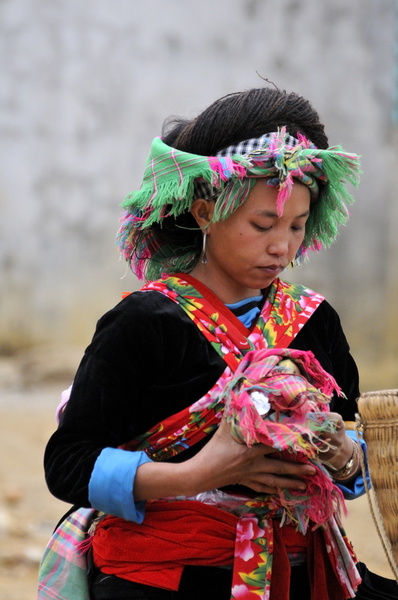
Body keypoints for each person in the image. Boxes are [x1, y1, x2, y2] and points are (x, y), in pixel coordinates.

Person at [39, 87, 396, 600]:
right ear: (205, 212)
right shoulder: (143, 322)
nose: (283, 246)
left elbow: (349, 457)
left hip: (299, 565)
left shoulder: (313, 320)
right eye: (263, 224)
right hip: (167, 569)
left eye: (298, 226)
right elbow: (68, 463)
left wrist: (341, 456)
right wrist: (199, 473)